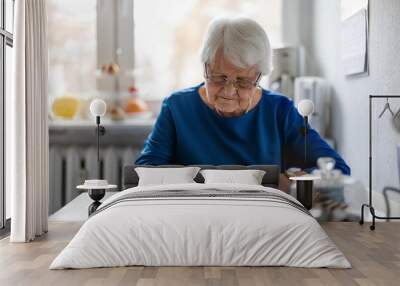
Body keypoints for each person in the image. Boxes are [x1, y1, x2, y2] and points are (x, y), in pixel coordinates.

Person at [135, 16, 350, 187]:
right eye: (219, 77)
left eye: (243, 81)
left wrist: (294, 181)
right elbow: (145, 171)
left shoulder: (279, 110)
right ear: (204, 68)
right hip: (195, 213)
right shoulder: (177, 107)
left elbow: (336, 169)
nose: (229, 90)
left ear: (259, 76)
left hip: (263, 218)